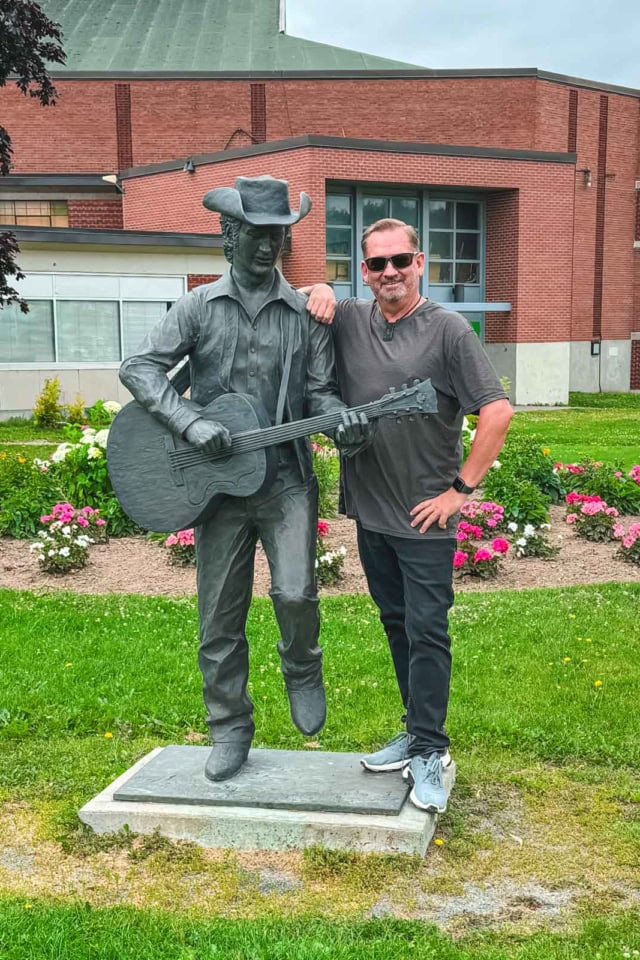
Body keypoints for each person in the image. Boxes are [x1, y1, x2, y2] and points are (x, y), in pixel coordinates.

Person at [119, 175, 370, 782]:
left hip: (285, 481)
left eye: (277, 235)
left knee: (294, 593)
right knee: (219, 618)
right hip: (218, 489)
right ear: (228, 236)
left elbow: (321, 392)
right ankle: (229, 727)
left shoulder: (306, 314)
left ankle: (302, 667)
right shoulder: (197, 308)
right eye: (255, 234)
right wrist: (185, 421)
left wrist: (343, 422)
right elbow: (139, 368)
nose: (267, 246)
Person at [305, 217, 513, 813]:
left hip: (425, 520)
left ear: (421, 263)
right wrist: (313, 288)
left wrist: (458, 492)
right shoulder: (350, 318)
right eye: (376, 264)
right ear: (363, 271)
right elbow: (285, 297)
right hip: (371, 513)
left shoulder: (447, 331)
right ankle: (415, 732)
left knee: (427, 632)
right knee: (397, 625)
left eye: (401, 261)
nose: (390, 272)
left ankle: (430, 749)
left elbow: (496, 413)